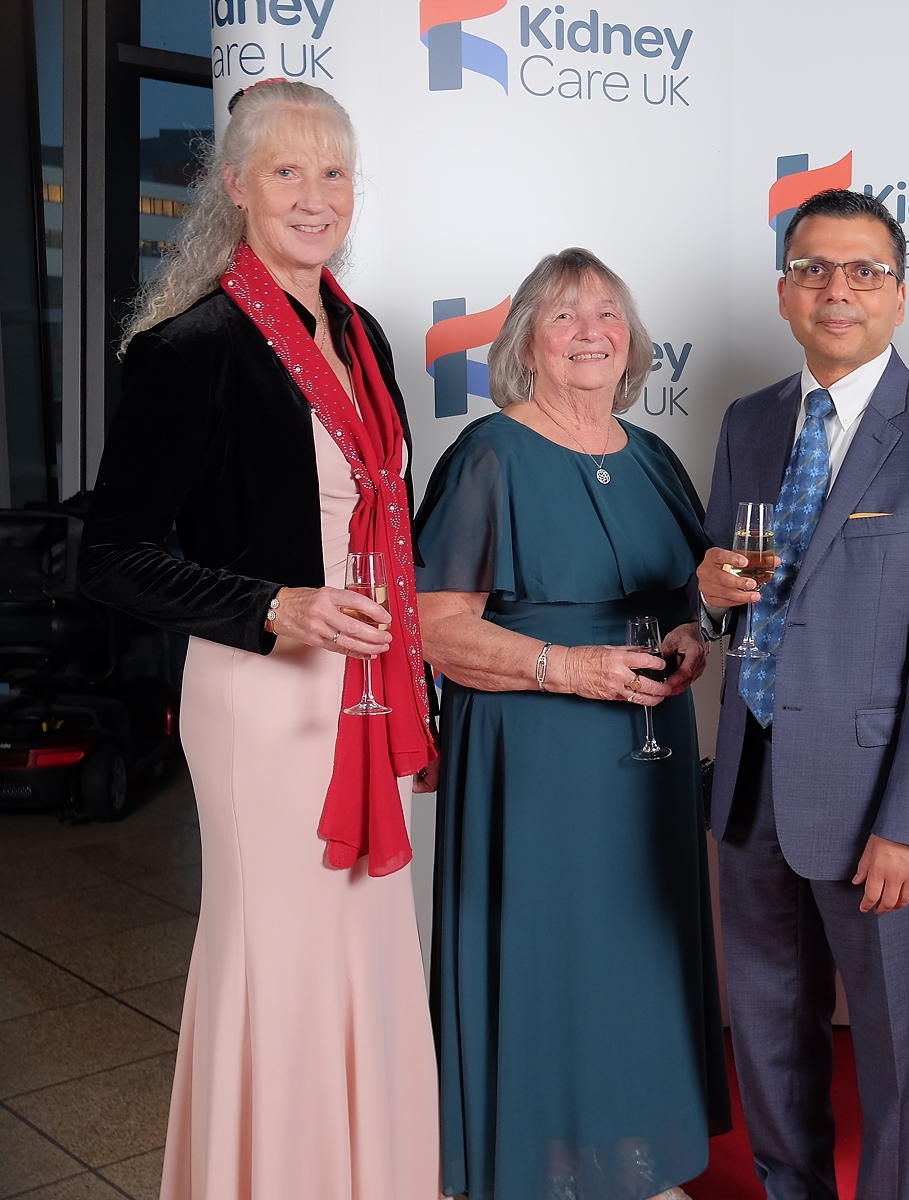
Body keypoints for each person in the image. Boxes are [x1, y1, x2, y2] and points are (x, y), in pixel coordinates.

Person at [79, 79, 439, 1198]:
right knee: (280, 959)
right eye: (287, 171)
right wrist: (275, 605)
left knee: (367, 957)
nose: (314, 196)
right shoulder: (189, 350)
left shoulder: (361, 328)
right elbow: (111, 556)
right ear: (235, 187)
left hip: (369, 685)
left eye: (333, 172)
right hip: (266, 699)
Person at [694, 188, 909, 1200]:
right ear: (785, 292)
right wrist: (704, 598)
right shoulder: (747, 423)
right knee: (772, 1039)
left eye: (865, 270)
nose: (839, 290)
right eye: (815, 269)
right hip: (750, 791)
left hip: (876, 807)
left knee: (893, 1058)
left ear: (900, 297)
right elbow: (735, 600)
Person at [414, 248, 728, 1200]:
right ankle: (535, 1169)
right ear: (525, 345)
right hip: (534, 758)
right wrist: (568, 668)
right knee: (548, 959)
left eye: (607, 314)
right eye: (563, 316)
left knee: (639, 953)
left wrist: (688, 636)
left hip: (647, 752)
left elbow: (686, 594)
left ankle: (632, 1162)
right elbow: (436, 631)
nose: (590, 331)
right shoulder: (489, 454)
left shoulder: (654, 456)